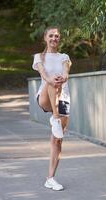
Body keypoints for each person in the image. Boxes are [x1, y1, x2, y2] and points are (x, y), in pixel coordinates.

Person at [32, 26, 72, 191]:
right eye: (51, 36)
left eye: (57, 36)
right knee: (51, 82)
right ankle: (54, 117)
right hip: (45, 96)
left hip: (63, 99)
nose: (54, 38)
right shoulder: (39, 57)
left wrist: (63, 77)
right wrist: (52, 79)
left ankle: (50, 178)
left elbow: (66, 71)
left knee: (58, 140)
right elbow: (43, 73)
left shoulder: (64, 57)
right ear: (45, 38)